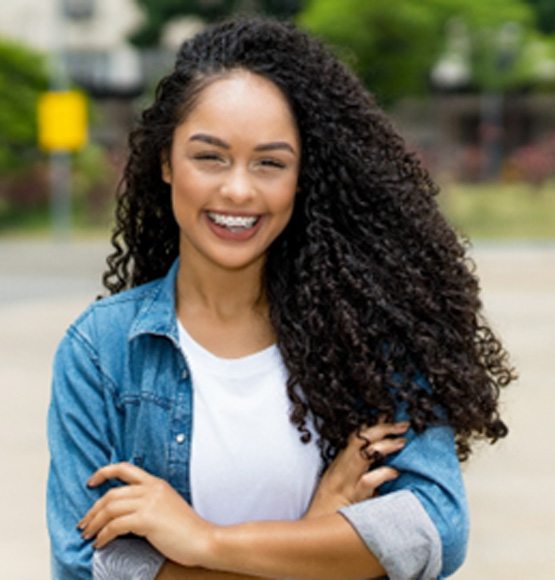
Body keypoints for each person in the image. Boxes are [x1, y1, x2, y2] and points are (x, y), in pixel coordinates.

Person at [47, 16, 515, 580]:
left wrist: (205, 542)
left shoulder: (370, 337)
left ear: (301, 178)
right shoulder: (102, 350)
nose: (238, 189)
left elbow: (431, 529)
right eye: (210, 156)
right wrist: (319, 540)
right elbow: (88, 566)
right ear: (166, 162)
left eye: (270, 163)